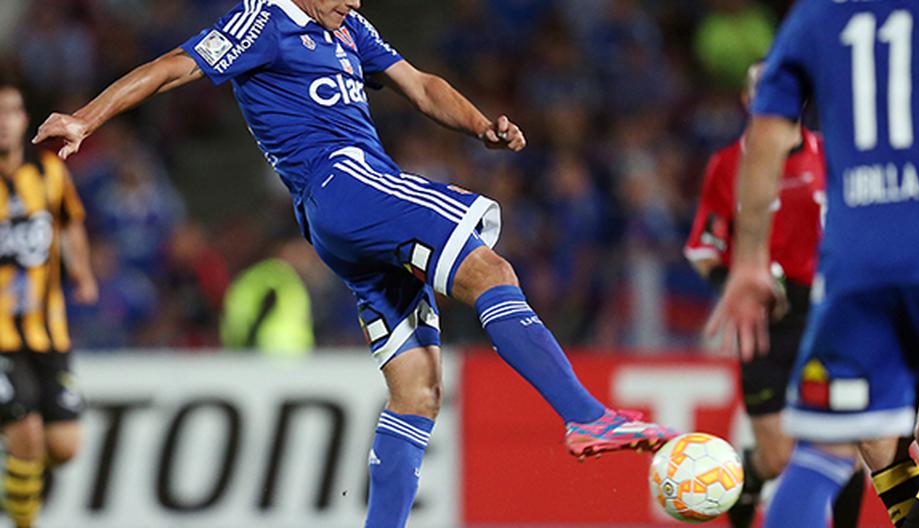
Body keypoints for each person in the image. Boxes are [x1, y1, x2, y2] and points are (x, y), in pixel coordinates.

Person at [30, 1, 678, 526]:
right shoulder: (263, 19)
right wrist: (86, 119)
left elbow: (420, 86)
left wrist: (482, 127)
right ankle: (586, 416)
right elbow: (177, 66)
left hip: (341, 219)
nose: (356, 2)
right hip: (346, 185)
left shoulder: (347, 27)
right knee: (491, 271)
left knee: (417, 387)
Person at [707, 2, 919, 528]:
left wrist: (748, 262)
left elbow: (766, 138)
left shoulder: (811, 20)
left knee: (851, 444)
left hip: (856, 257)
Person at [686, 62, 865, 528]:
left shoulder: (833, 154)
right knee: (779, 456)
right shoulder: (728, 165)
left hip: (830, 313)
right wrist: (738, 288)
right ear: (747, 100)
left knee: (846, 443)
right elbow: (704, 248)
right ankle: (746, 480)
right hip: (765, 323)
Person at [0, 72, 97, 528]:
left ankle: (16, 480)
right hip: (0, 338)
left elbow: (70, 220)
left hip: (47, 330)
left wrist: (81, 270)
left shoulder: (49, 171)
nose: (3, 122)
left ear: (24, 120)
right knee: (27, 436)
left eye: (11, 112)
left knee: (64, 447)